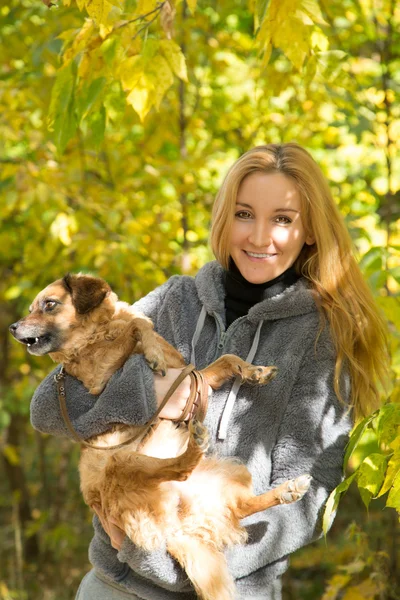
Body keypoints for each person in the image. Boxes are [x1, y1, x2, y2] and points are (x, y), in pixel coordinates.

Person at [30, 143, 388, 600]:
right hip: (116, 589)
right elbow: (47, 408)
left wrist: (162, 558)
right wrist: (153, 389)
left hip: (228, 587)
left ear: (311, 230)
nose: (260, 237)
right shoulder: (175, 302)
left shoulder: (323, 339)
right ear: (225, 218)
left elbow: (309, 497)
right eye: (244, 214)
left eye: (282, 218)